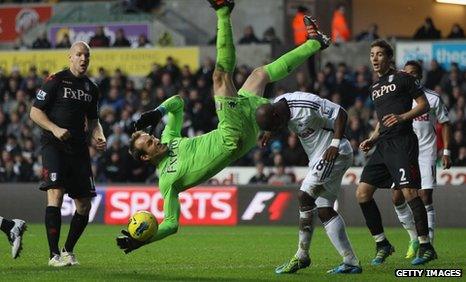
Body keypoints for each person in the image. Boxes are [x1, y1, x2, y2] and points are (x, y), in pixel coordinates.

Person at [115, 0, 330, 254]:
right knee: (220, 77)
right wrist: (144, 240)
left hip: (239, 132)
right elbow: (171, 224)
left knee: (259, 75)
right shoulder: (167, 182)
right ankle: (223, 11)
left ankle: (316, 42)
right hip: (231, 136)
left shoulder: (168, 137)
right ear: (145, 157)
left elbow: (178, 103)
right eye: (149, 144)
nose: (154, 140)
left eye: (150, 137)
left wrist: (156, 112)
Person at [256, 91, 362, 274]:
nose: (278, 129)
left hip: (334, 153)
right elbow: (273, 119)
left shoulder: (305, 103)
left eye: (275, 125)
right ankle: (351, 261)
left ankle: (302, 255)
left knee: (304, 196)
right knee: (324, 209)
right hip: (317, 158)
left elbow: (341, 113)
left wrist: (334, 144)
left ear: (276, 115)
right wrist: (269, 130)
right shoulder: (276, 109)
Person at [356, 39, 436, 266]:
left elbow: (423, 105)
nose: (374, 58)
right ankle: (382, 243)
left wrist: (402, 117)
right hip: (383, 145)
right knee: (362, 194)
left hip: (403, 142)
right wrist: (372, 138)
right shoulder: (374, 87)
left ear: (389, 57)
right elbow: (382, 120)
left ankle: (426, 246)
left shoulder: (404, 78)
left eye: (380, 54)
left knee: (410, 193)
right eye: (372, 54)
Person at [29, 41, 107, 267]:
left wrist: (99, 135)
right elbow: (35, 112)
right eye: (79, 55)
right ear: (70, 57)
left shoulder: (92, 88)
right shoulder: (56, 80)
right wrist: (54, 128)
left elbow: (93, 121)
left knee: (84, 205)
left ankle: (67, 250)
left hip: (79, 149)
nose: (83, 59)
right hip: (54, 145)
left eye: (87, 56)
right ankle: (53, 255)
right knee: (56, 193)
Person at [391, 60, 452, 259]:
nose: (411, 76)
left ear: (420, 76)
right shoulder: (399, 98)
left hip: (426, 152)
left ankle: (429, 246)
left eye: (415, 73)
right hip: (405, 151)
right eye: (407, 73)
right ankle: (413, 238)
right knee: (397, 197)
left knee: (425, 196)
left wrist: (447, 152)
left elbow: (445, 122)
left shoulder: (433, 98)